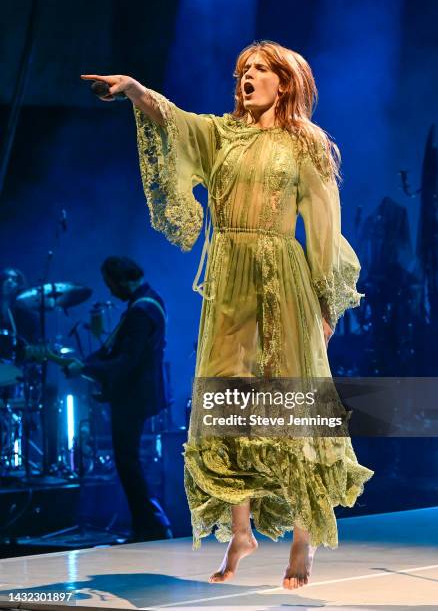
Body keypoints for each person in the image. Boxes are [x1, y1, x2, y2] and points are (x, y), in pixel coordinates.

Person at [81, 39, 375, 589]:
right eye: (242, 69)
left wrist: (325, 301)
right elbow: (179, 123)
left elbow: (324, 225)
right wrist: (136, 91)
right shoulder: (223, 134)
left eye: (260, 70)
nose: (247, 77)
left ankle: (303, 539)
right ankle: (240, 530)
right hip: (229, 280)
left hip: (280, 277)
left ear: (283, 83)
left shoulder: (304, 144)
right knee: (226, 401)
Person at [66, 256, 172, 541]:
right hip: (139, 392)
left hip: (134, 395)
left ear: (123, 280)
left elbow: (127, 361)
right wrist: (90, 364)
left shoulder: (140, 312)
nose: (110, 291)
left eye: (110, 284)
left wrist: (86, 367)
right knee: (128, 461)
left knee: (127, 461)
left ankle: (149, 524)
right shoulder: (150, 301)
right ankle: (149, 522)